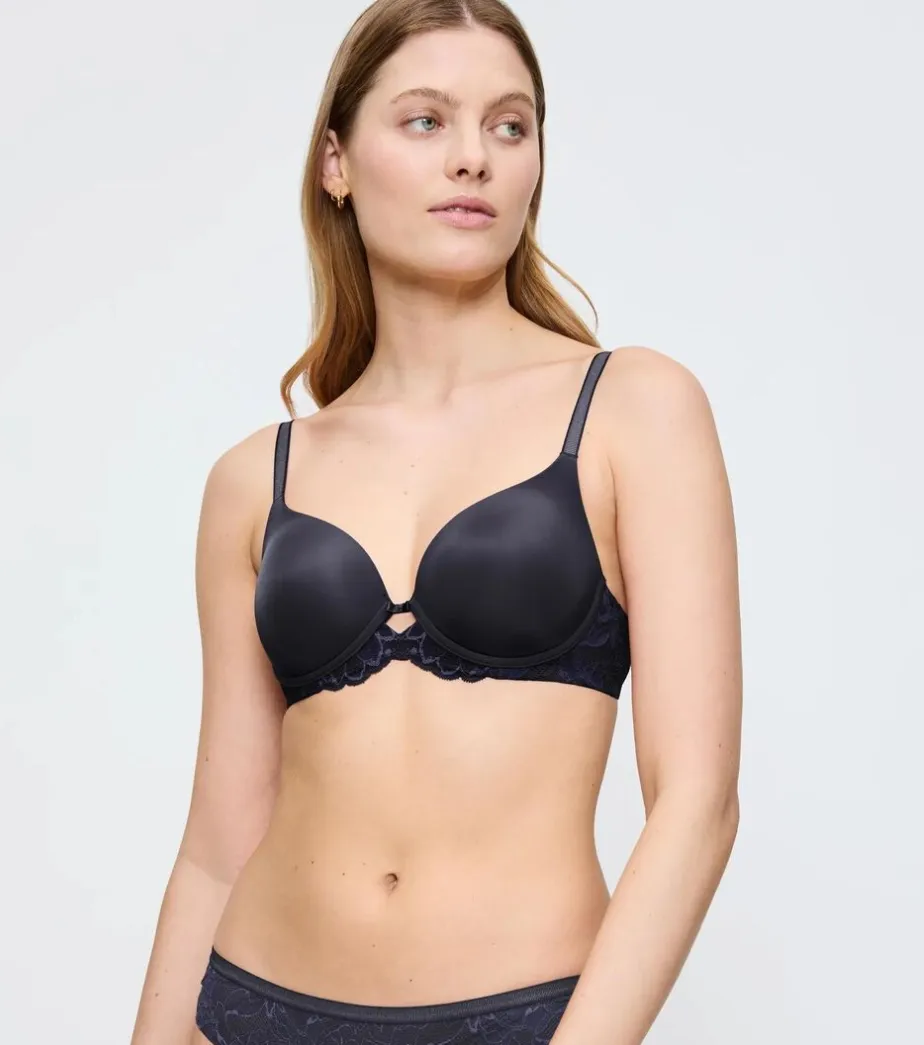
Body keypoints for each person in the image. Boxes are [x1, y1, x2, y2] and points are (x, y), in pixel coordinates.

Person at [130, 1, 743, 1043]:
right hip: (252, 1008)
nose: (473, 157)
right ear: (336, 161)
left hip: (524, 1015)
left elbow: (696, 801)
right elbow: (217, 844)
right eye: (425, 120)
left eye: (509, 125)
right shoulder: (256, 478)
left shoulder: (632, 409)